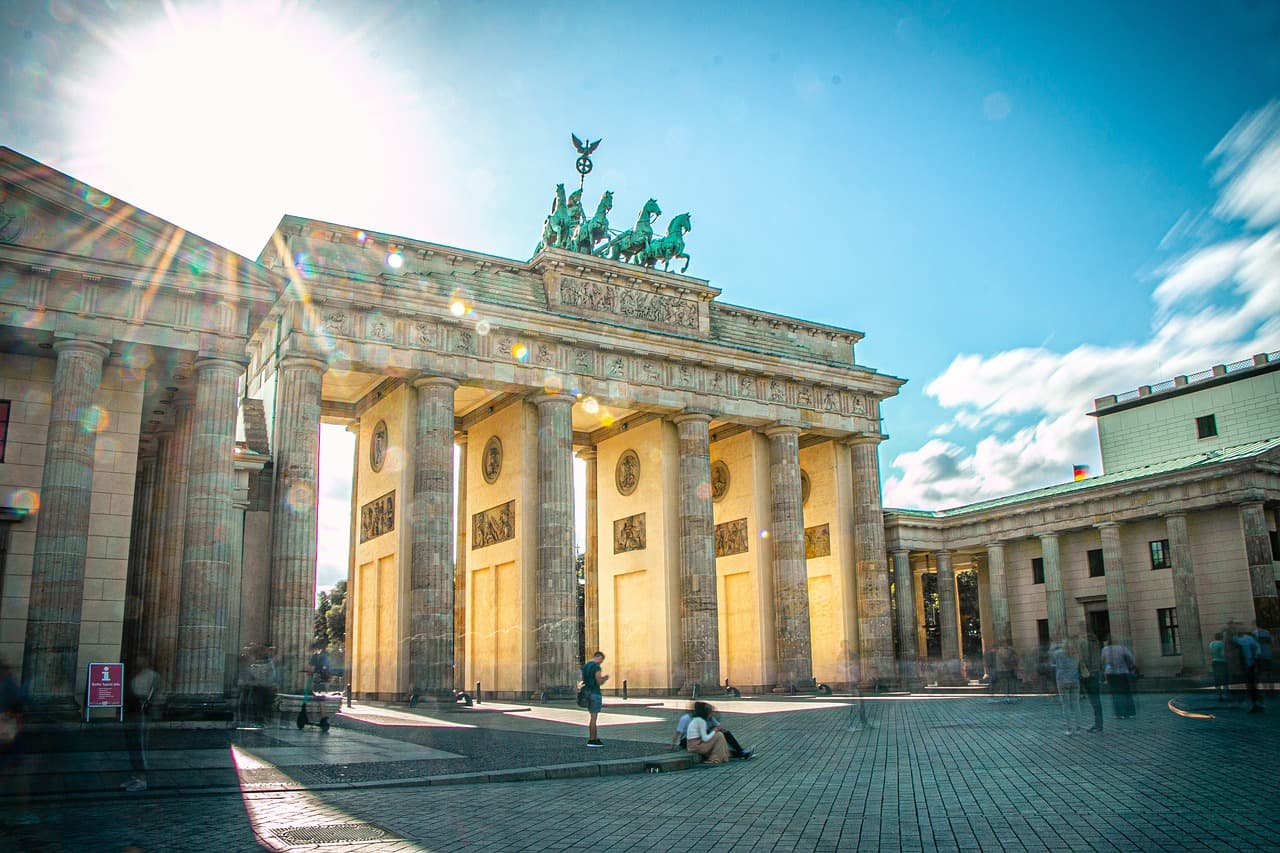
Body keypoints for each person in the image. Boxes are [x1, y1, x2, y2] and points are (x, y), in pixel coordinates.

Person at [122, 655, 159, 793]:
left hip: (143, 714)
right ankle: (136, 775)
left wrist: (151, 707)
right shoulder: (135, 674)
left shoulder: (152, 675)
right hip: (132, 713)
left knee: (140, 746)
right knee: (132, 745)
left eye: (141, 657)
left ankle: (142, 779)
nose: (138, 660)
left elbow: (158, 694)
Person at [673, 705, 753, 759]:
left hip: (702, 737)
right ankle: (737, 754)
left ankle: (740, 751)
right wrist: (673, 746)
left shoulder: (709, 718)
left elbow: (719, 727)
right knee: (717, 742)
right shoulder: (687, 718)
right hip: (688, 740)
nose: (713, 714)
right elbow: (678, 732)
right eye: (711, 713)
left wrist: (719, 731)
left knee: (725, 733)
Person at [1049, 638, 1084, 735]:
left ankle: (1069, 728)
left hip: (1062, 681)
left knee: (1065, 705)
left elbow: (1053, 662)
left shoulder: (1059, 653)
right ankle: (1078, 728)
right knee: (1076, 704)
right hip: (1075, 680)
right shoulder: (1076, 653)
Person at [1102, 638, 1137, 719]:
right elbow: (1130, 659)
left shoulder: (1105, 649)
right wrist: (1131, 667)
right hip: (1123, 672)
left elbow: (1102, 661)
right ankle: (1129, 712)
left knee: (1115, 693)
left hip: (1110, 673)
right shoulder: (1122, 648)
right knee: (1126, 692)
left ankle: (1118, 713)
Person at [1078, 630, 1104, 732]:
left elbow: (1089, 660)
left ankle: (1098, 724)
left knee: (1095, 701)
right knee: (1095, 700)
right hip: (1093, 673)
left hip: (1090, 674)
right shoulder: (1096, 646)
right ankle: (1098, 723)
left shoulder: (1089, 646)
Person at [581, 651, 608, 747]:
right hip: (594, 693)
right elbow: (599, 681)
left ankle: (594, 738)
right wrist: (604, 678)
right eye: (601, 660)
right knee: (593, 718)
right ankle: (592, 739)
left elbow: (583, 680)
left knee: (592, 717)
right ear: (599, 657)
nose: (601, 663)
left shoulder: (585, 666)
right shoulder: (596, 667)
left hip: (587, 693)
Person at [1234, 627, 1263, 713]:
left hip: (1249, 664)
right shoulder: (1237, 639)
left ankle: (1256, 703)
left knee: (1251, 685)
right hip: (1243, 665)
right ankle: (1255, 703)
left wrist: (1256, 657)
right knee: (1249, 685)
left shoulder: (1246, 639)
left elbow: (1257, 648)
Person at [1209, 632, 1229, 701]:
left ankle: (1219, 695)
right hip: (1222, 662)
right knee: (1225, 678)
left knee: (1217, 678)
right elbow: (1223, 654)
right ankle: (1226, 694)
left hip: (1215, 661)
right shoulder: (1222, 644)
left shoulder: (1211, 644)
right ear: (1221, 637)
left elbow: (1211, 652)